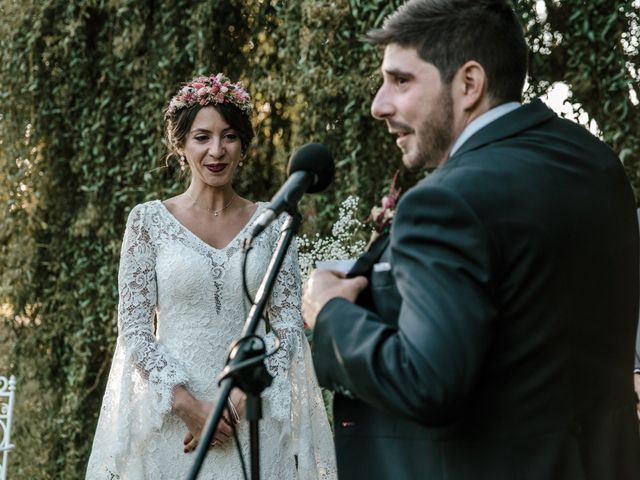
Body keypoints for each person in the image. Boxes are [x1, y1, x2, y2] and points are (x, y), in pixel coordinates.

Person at [302, 1, 640, 479]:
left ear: (469, 83)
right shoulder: (595, 164)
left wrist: (331, 313)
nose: (379, 105)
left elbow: (425, 383)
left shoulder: (445, 202)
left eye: (401, 81)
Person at [86, 73, 336, 479]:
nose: (216, 150)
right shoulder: (148, 222)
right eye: (202, 137)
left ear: (244, 146)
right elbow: (134, 327)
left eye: (230, 136)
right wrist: (187, 405)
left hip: (252, 417)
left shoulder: (272, 223)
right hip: (174, 423)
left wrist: (236, 398)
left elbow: (289, 321)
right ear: (180, 145)